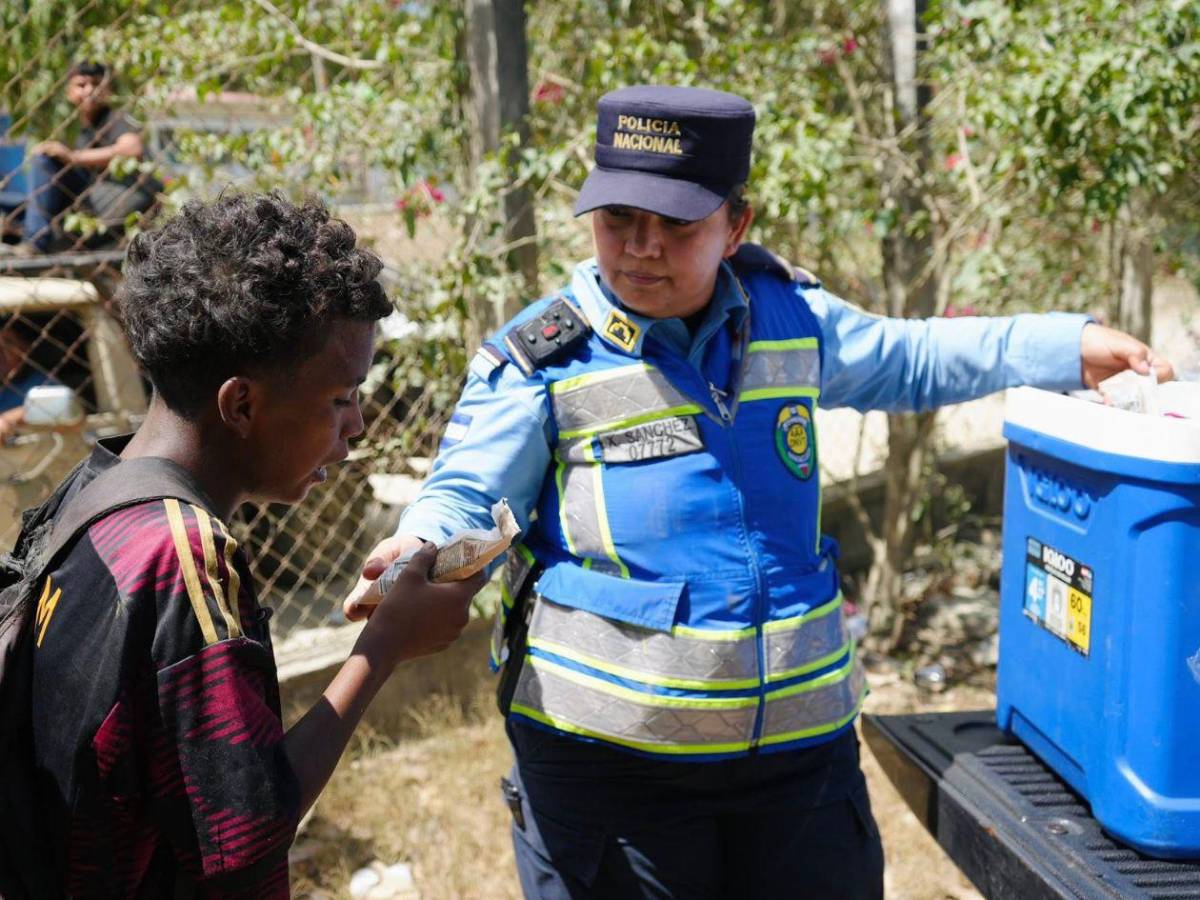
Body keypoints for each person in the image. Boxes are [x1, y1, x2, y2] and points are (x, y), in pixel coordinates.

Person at [345, 86, 1174, 899]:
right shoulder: (544, 357)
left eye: (676, 225)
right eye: (617, 221)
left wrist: (1069, 343)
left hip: (799, 766)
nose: (640, 247)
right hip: (613, 777)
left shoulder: (791, 317)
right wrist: (416, 547)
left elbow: (912, 357)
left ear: (736, 225)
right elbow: (461, 491)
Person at [29, 192, 483, 897]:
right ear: (241, 405)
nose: (358, 425)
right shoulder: (186, 559)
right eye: (341, 398)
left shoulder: (95, 492)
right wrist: (385, 646)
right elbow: (244, 844)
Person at [7, 60, 160, 255]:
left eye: (96, 84)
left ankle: (34, 243)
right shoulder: (83, 131)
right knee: (14, 199)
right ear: (68, 93)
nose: (89, 91)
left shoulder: (113, 118)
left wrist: (72, 157)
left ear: (108, 89)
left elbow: (132, 148)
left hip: (109, 198)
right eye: (81, 85)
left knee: (44, 162)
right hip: (81, 200)